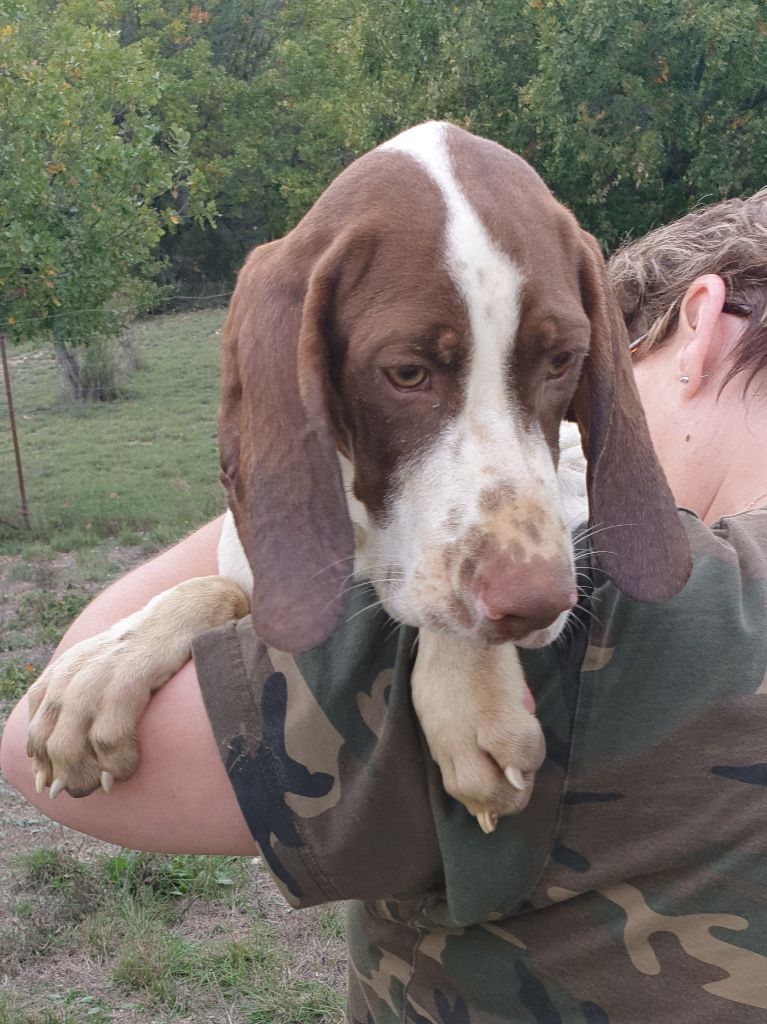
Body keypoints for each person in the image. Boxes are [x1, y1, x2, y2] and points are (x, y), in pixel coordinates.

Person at [3, 190, 767, 1023]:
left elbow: (43, 742)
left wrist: (301, 479)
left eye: (561, 369)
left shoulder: (611, 619)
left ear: (700, 324)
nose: (573, 428)